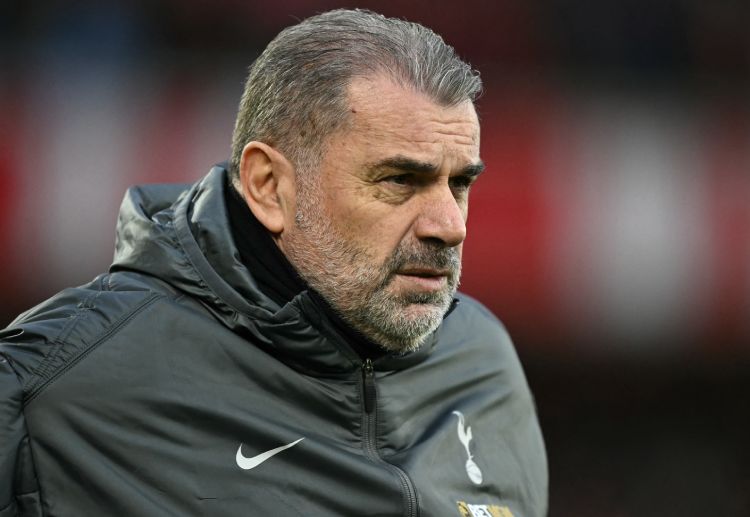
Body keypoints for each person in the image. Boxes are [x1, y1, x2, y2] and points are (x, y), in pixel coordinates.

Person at [0, 9, 547, 517]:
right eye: (401, 180)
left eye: (460, 183)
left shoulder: (484, 365)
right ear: (268, 186)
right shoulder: (54, 385)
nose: (450, 225)